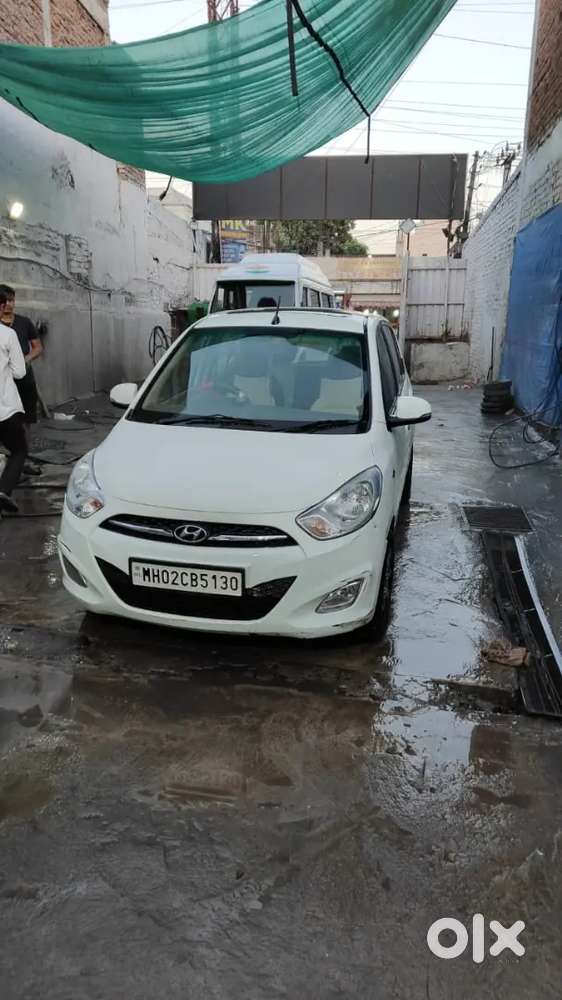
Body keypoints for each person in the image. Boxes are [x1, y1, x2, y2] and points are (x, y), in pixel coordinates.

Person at [0, 291, 27, 514]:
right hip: (5, 409)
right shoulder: (7, 335)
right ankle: (4, 491)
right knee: (18, 450)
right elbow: (19, 372)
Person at [0, 284, 42, 426]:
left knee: (27, 413)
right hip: (4, 377)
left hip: (24, 375)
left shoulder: (24, 322)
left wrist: (27, 358)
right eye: (5, 301)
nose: (9, 304)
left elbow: (38, 347)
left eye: (11, 300)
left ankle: (25, 443)